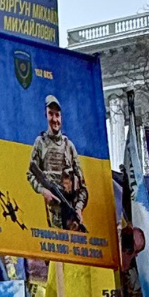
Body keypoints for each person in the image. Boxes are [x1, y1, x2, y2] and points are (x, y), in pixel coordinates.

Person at [26, 95, 87, 232]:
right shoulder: (40, 143)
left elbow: (83, 187)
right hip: (50, 214)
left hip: (70, 213)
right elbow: (30, 174)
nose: (55, 119)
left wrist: (78, 208)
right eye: (51, 114)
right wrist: (43, 191)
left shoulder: (68, 146)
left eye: (57, 115)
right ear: (46, 115)